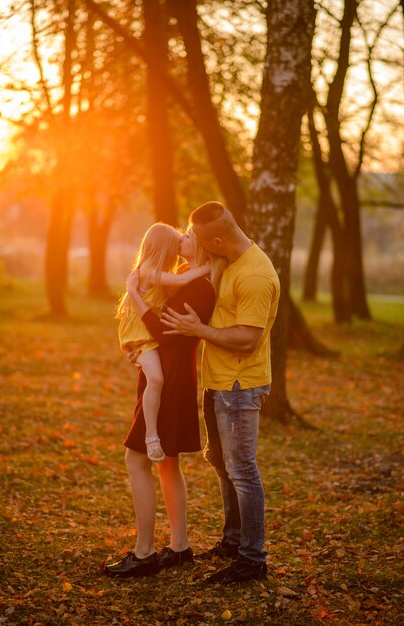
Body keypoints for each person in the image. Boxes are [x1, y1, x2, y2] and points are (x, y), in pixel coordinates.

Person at [161, 201, 280, 584]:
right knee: (221, 461)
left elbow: (247, 339)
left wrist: (199, 331)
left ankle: (252, 558)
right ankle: (233, 540)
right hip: (218, 382)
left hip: (240, 385)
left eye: (197, 239)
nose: (192, 243)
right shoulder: (225, 260)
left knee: (242, 469)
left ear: (215, 239)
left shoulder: (256, 275)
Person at [105, 226, 224, 579]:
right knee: (167, 464)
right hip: (168, 374)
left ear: (199, 247)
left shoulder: (197, 287)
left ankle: (145, 553)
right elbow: (154, 330)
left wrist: (133, 296)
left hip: (170, 379)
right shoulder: (184, 280)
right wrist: (137, 348)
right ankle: (180, 546)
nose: (181, 239)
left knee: (137, 458)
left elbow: (158, 330)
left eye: (187, 235)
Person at [116, 222, 210, 462]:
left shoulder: (167, 274)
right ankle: (151, 436)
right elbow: (181, 282)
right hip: (140, 335)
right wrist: (207, 268)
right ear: (164, 249)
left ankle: (151, 436)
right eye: (177, 242)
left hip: (148, 338)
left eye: (184, 239)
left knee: (156, 379)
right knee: (156, 378)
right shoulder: (150, 272)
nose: (180, 245)